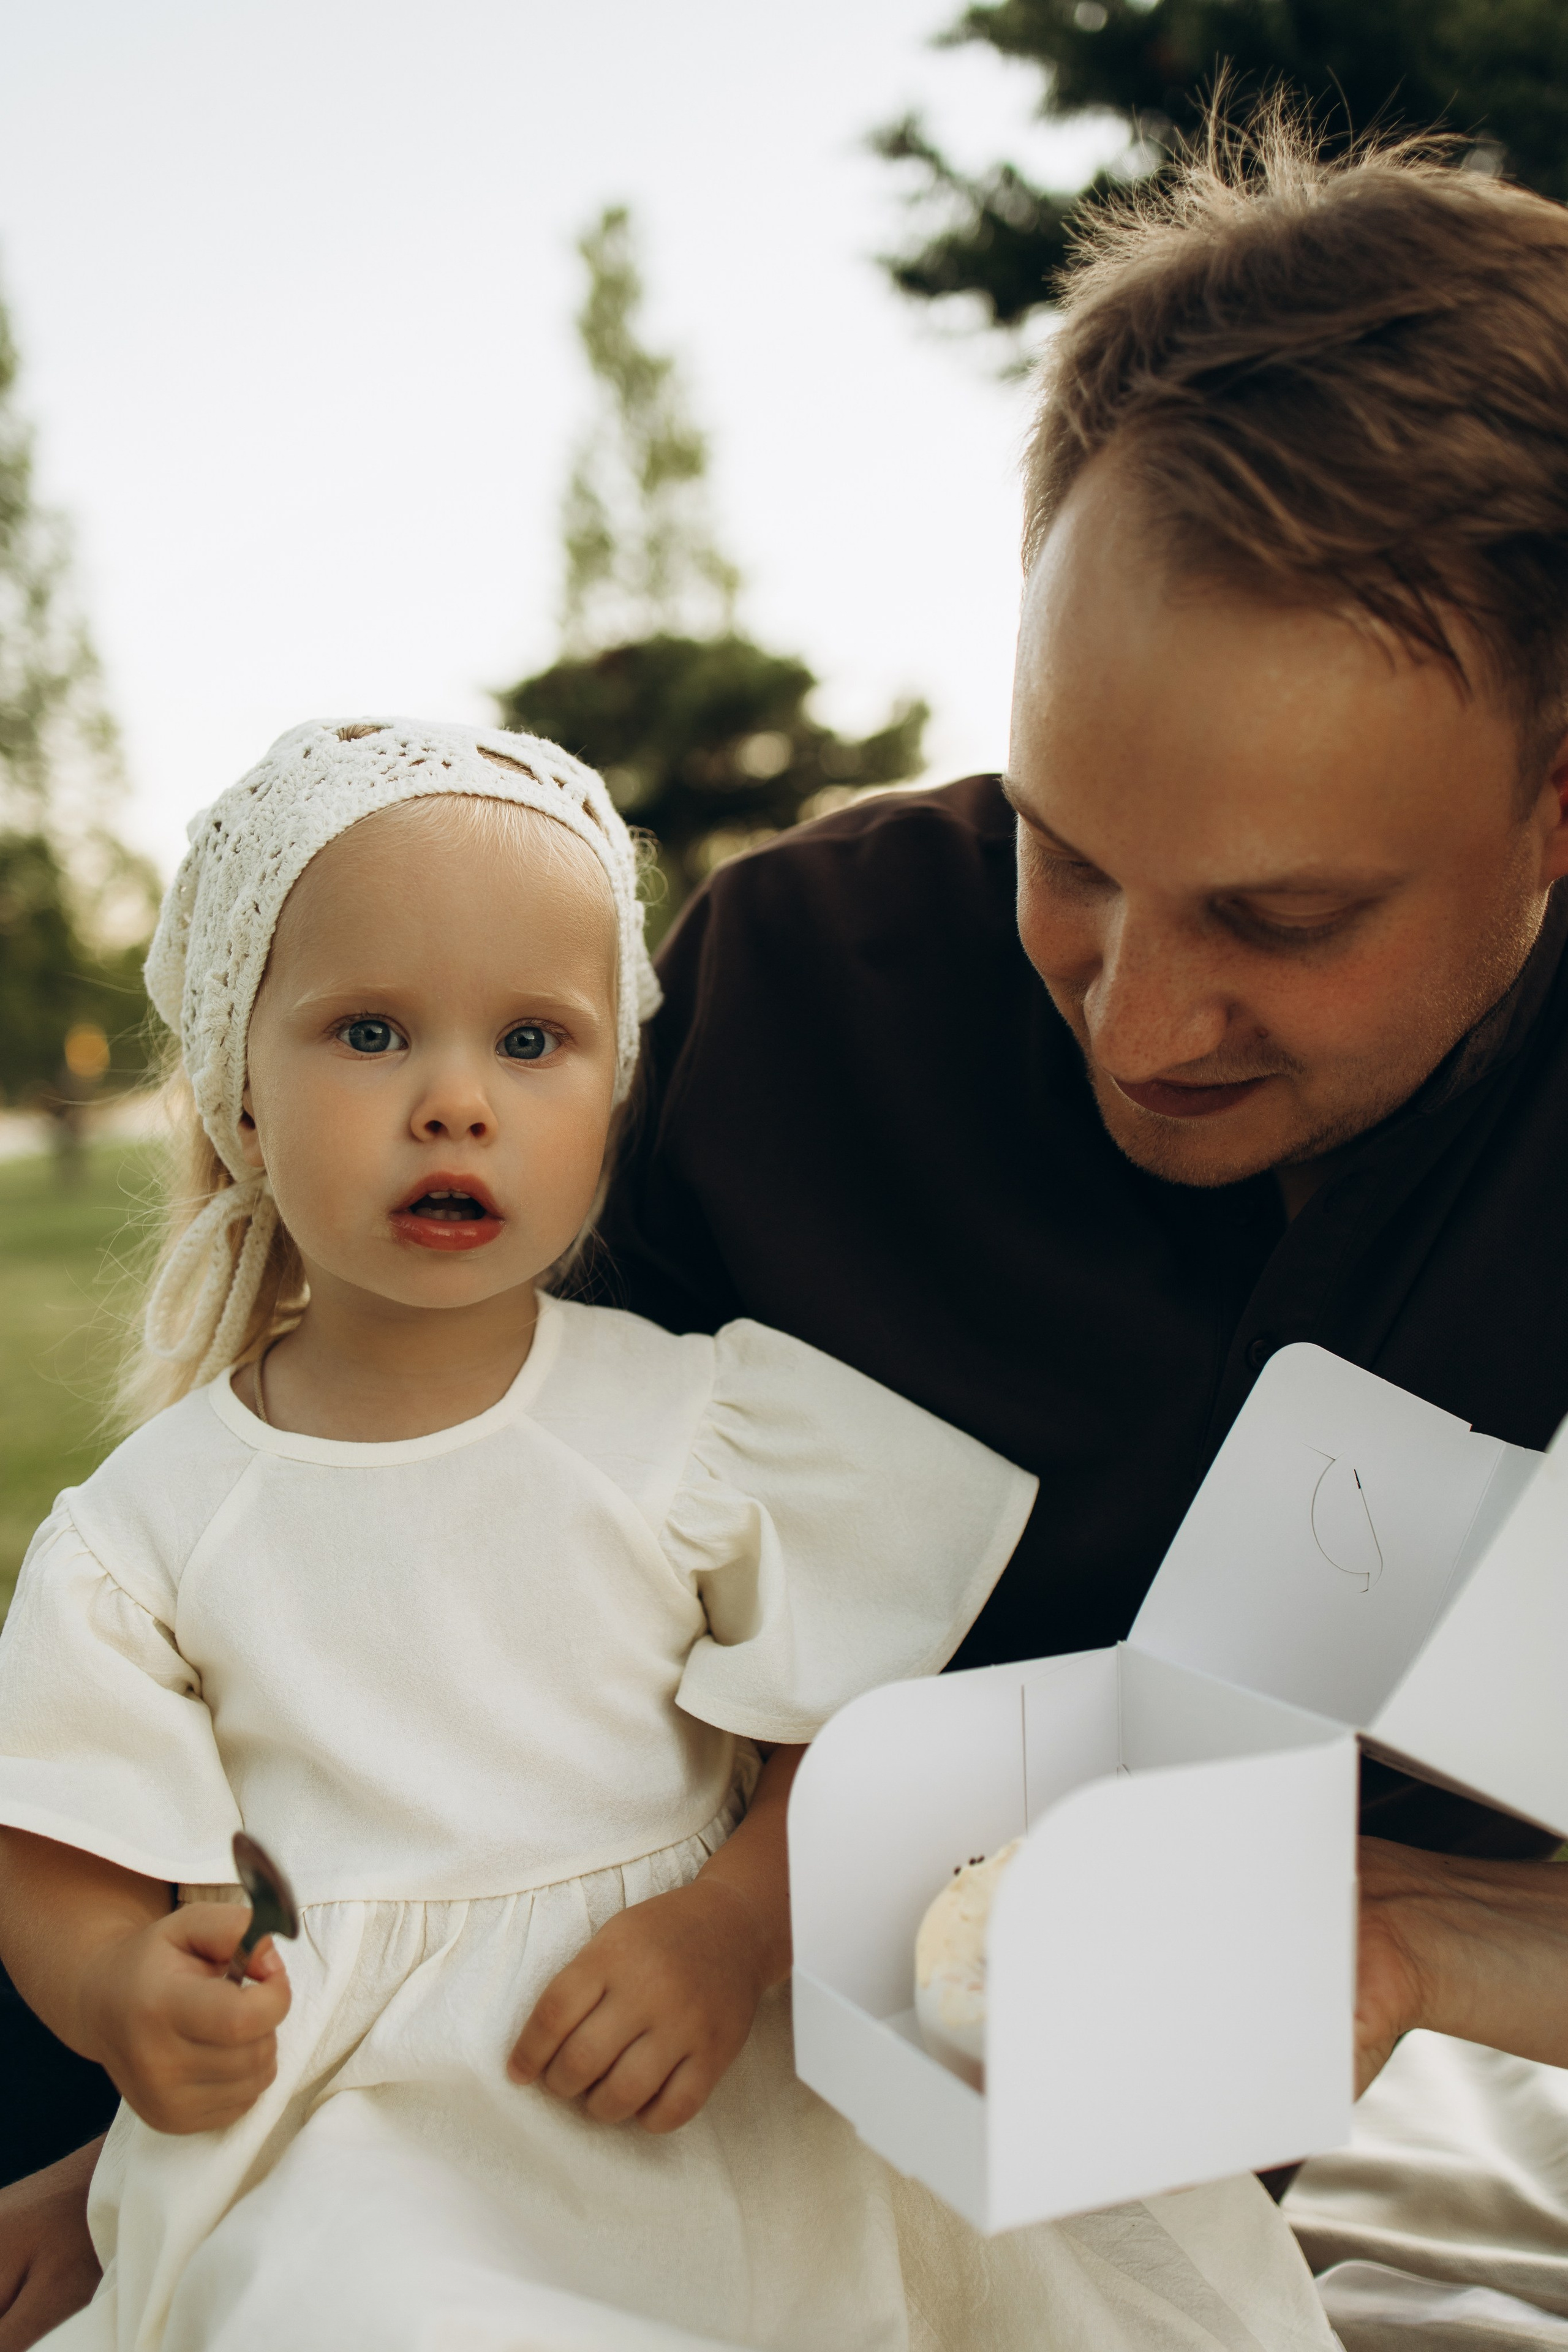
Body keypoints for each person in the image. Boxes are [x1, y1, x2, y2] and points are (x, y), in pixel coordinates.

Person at [0, 718, 1338, 2352]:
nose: (453, 1102)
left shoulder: (702, 1425)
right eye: (368, 1032)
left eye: (532, 1042)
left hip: (706, 2049)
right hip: (368, 2113)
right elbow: (53, 1848)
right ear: (243, 1098)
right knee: (359, 2303)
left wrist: (734, 1925)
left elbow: (851, 1725)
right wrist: (119, 1991)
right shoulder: (157, 1521)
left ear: (614, 1097)